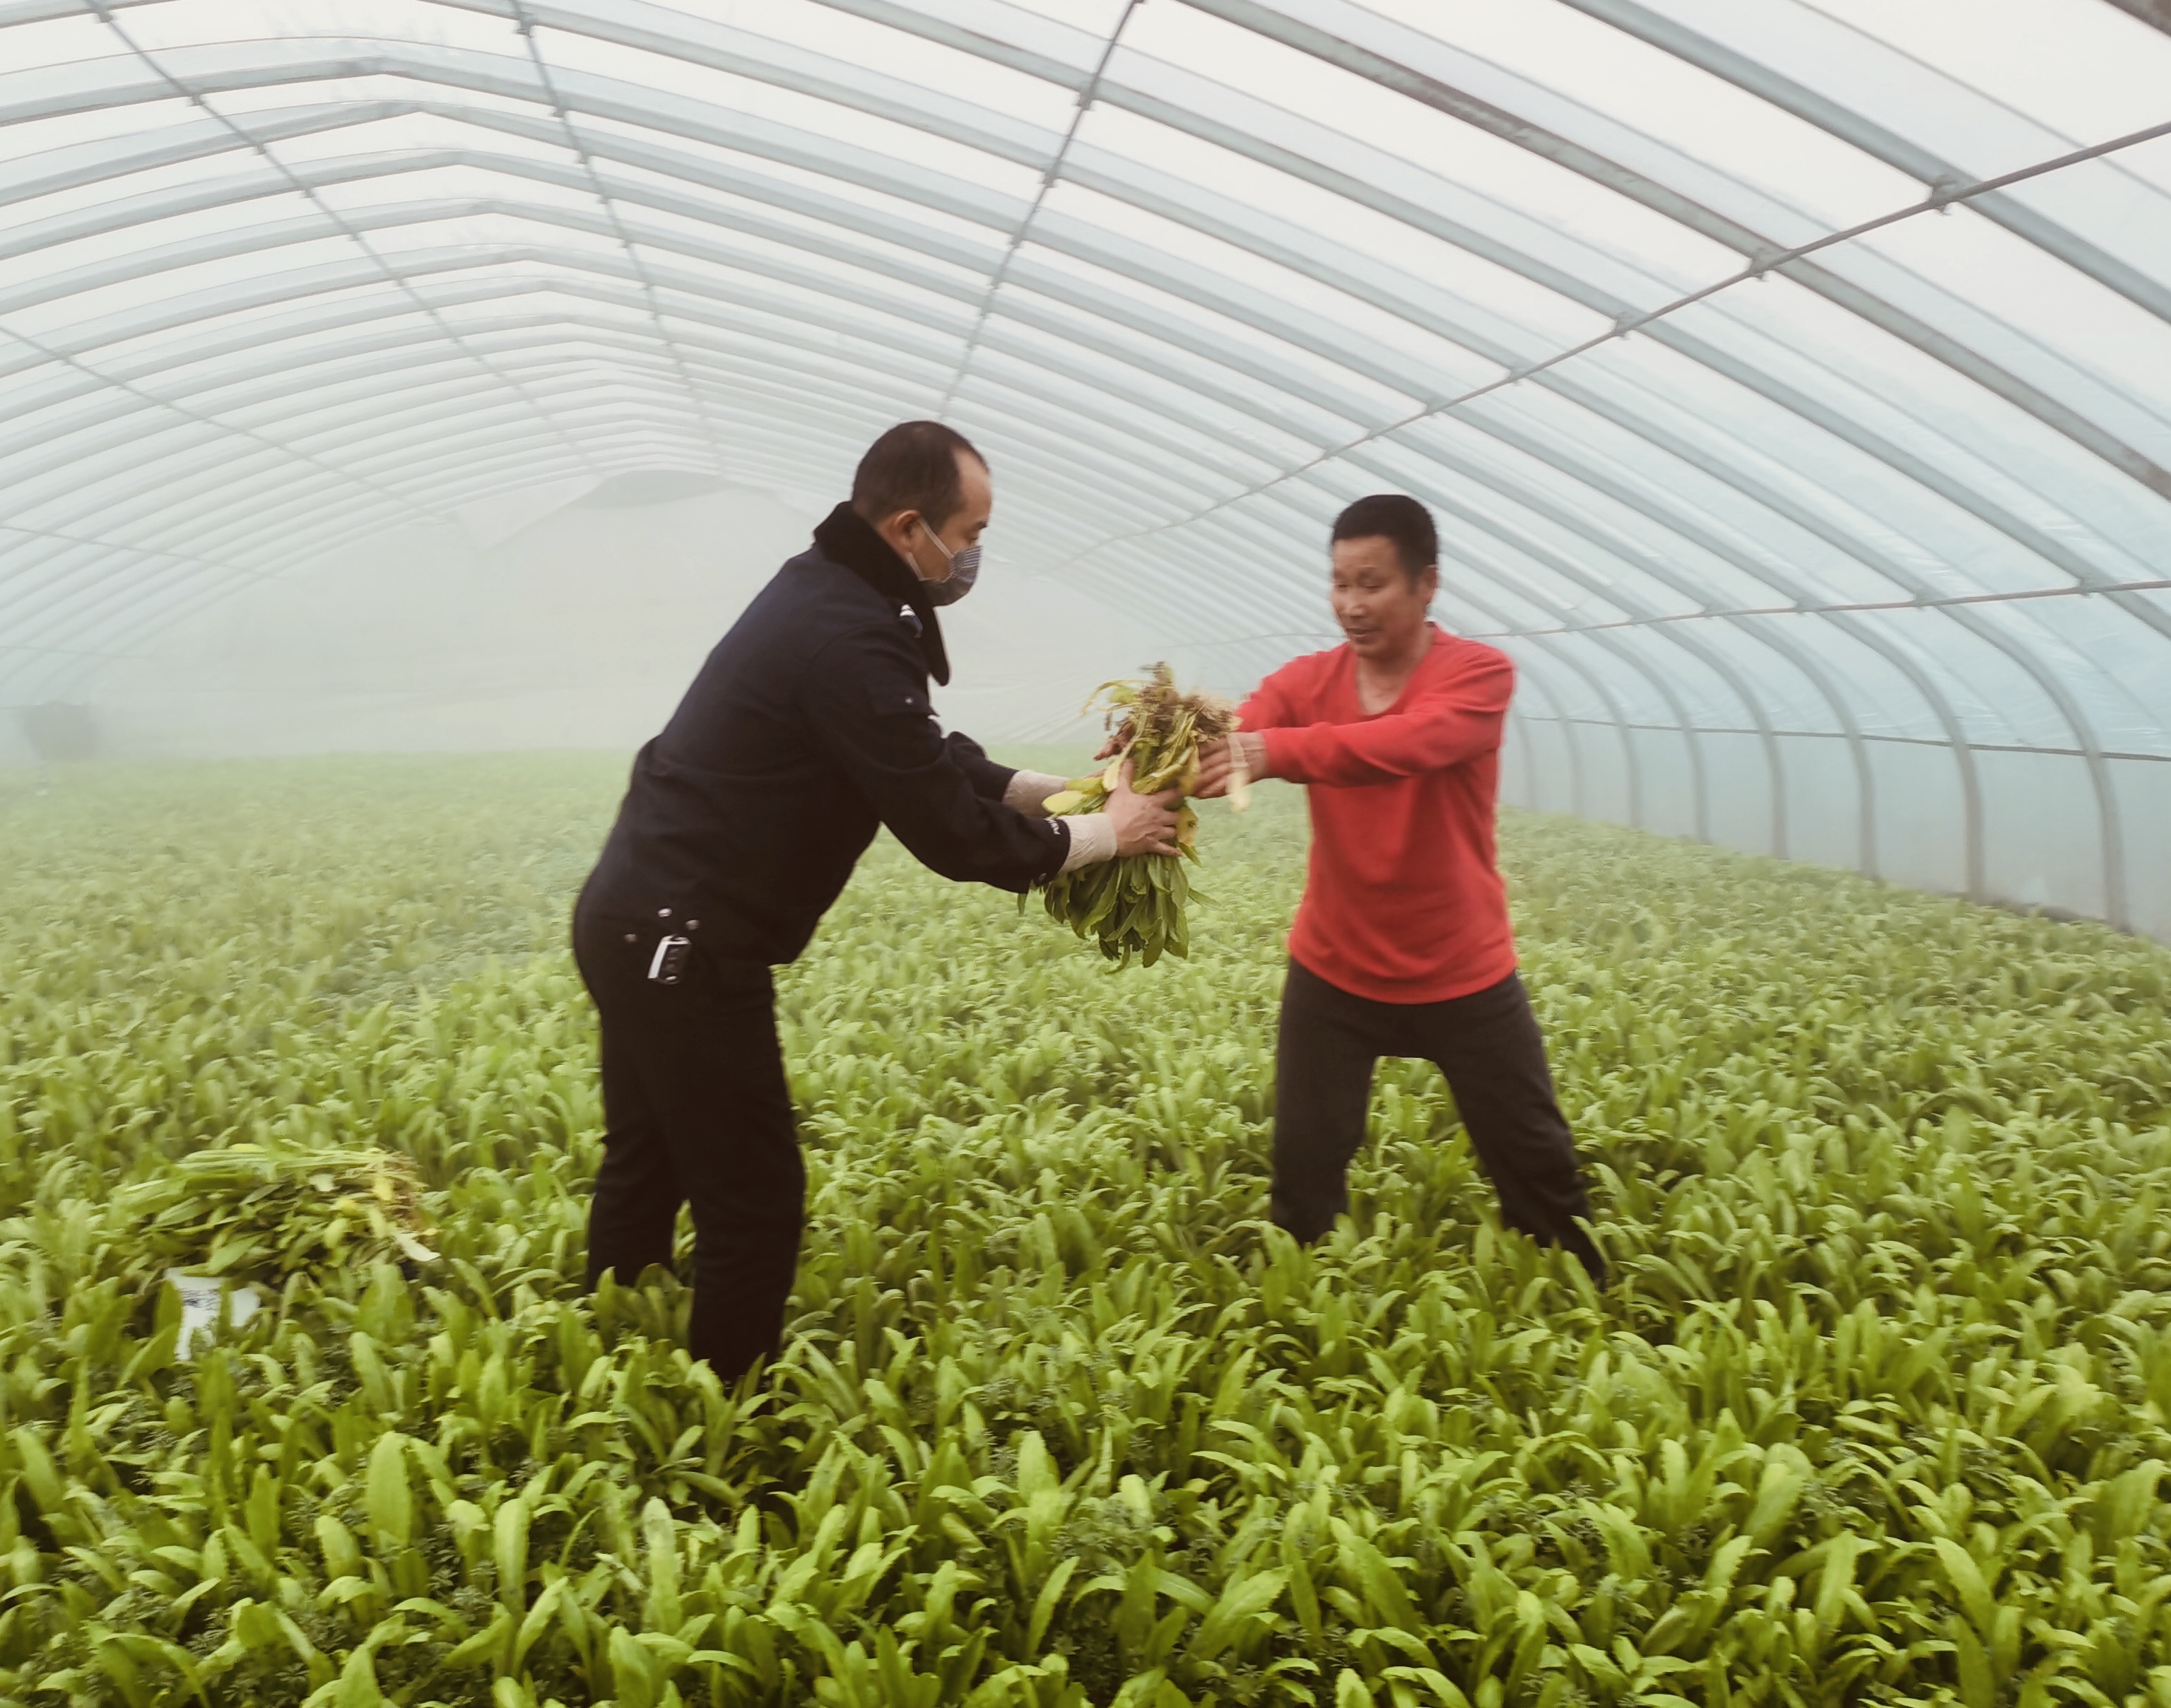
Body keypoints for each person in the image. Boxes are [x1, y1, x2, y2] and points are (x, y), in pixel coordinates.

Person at [572, 420, 1180, 1382]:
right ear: (910, 528)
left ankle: (600, 1357)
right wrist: (1110, 834)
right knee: (755, 1194)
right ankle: (728, 1427)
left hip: (636, 921)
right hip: (681, 945)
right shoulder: (846, 636)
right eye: (969, 533)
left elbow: (924, 753)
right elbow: (951, 834)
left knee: (648, 1155)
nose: (975, 554)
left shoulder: (833, 595)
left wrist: (1070, 795)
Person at [1192, 494, 1606, 1280]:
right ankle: (1290, 1318)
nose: (1352, 604)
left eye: (1373, 582)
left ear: (1427, 585)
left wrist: (1272, 750)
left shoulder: (1478, 675)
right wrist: (1171, 744)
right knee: (1303, 1175)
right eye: (1340, 582)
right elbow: (1237, 731)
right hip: (1335, 967)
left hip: (1462, 969)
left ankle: (1591, 1302)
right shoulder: (1307, 680)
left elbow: (1406, 744)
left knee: (1537, 1166)